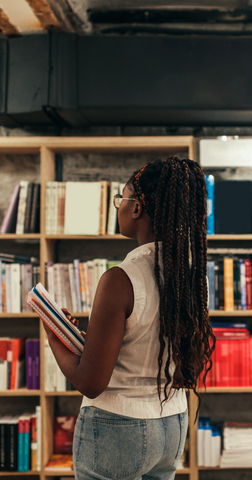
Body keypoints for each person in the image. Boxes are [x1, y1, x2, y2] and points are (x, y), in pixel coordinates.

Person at [43, 156, 215, 480]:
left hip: (118, 426)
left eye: (120, 199)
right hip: (172, 423)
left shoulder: (120, 279)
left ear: (137, 209)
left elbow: (91, 383)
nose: (117, 207)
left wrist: (55, 338)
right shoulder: (191, 276)